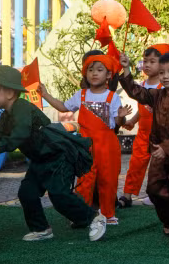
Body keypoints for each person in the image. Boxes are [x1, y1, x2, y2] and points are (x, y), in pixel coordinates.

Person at [0, 66, 107, 242]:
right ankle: (42, 229)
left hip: (57, 157)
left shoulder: (21, 107)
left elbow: (21, 132)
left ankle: (95, 218)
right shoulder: (5, 116)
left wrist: (0, 147)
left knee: (59, 195)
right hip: (39, 160)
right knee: (27, 193)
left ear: (9, 93)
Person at [40, 54, 128, 226]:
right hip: (85, 144)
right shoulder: (81, 95)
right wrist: (45, 94)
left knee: (108, 178)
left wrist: (122, 117)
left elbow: (118, 122)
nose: (94, 73)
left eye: (99, 70)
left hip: (107, 145)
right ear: (85, 74)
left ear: (108, 75)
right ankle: (80, 214)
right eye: (90, 70)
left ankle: (108, 214)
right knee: (84, 179)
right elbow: (63, 107)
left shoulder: (112, 97)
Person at [119, 51, 169, 246]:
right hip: (157, 152)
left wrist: (167, 148)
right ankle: (168, 219)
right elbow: (135, 91)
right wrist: (126, 69)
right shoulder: (156, 95)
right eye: (162, 72)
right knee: (153, 190)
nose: (165, 76)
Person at [118, 44, 169, 207]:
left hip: (161, 136)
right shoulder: (141, 85)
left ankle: (160, 194)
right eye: (145, 61)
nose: (147, 65)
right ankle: (127, 195)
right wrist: (132, 121)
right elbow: (142, 109)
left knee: (160, 167)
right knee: (135, 165)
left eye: (152, 61)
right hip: (143, 134)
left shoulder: (165, 86)